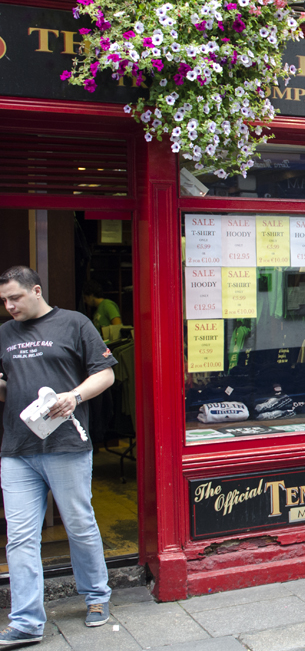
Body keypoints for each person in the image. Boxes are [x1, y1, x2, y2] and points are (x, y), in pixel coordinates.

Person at [0, 266, 117, 646]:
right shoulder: (4, 334)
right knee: (18, 538)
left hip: (65, 445)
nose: (9, 306)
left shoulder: (74, 323)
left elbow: (106, 374)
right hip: (17, 448)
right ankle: (27, 621)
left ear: (36, 290)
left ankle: (97, 596)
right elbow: (8, 387)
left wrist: (74, 396)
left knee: (79, 525)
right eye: (4, 300)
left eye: (15, 297)